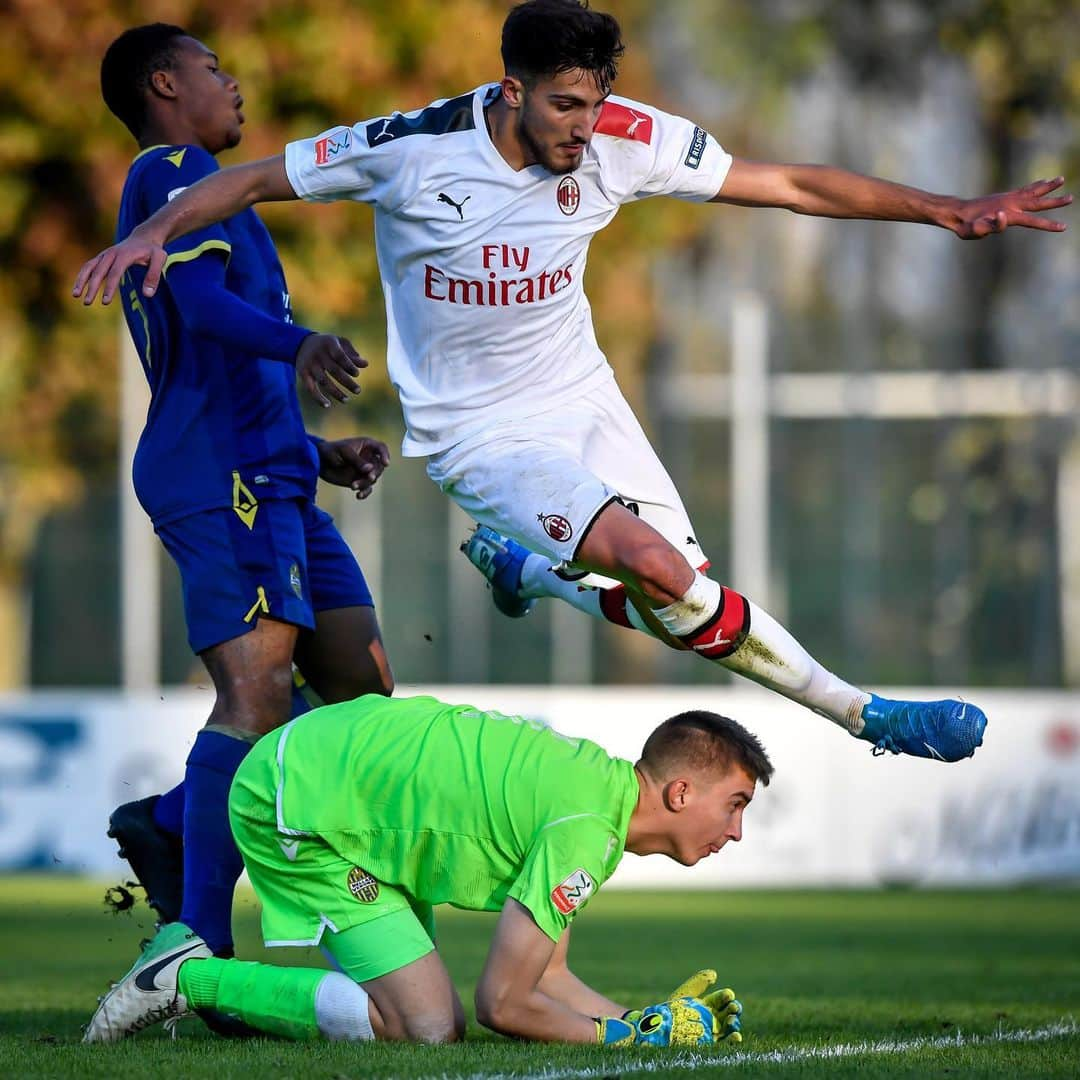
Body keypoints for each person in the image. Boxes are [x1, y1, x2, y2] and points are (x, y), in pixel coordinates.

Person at [74, 2, 1072, 762]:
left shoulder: (622, 137)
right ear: (509, 90)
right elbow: (248, 180)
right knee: (661, 569)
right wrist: (152, 233)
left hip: (583, 400)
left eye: (592, 105)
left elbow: (791, 183)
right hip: (478, 434)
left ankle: (533, 572)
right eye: (563, 105)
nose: (582, 130)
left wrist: (949, 209)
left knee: (684, 605)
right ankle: (866, 713)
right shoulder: (409, 149)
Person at [91, 24, 395, 968]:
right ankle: (197, 947)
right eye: (214, 69)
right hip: (220, 477)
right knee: (256, 692)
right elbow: (199, 312)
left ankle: (178, 817)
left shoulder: (221, 199)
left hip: (275, 474)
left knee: (362, 691)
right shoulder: (170, 170)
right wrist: (298, 345)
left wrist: (314, 451)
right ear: (164, 84)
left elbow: (216, 366)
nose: (235, 84)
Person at [84, 693, 764, 1046]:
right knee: (424, 1028)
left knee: (425, 1016)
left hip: (333, 782)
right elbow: (504, 1003)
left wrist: (637, 1022)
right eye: (734, 805)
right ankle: (184, 978)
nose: (735, 831)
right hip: (302, 806)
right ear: (680, 793)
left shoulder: (599, 798)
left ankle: (187, 969)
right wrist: (620, 1040)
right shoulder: (588, 830)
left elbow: (545, 975)